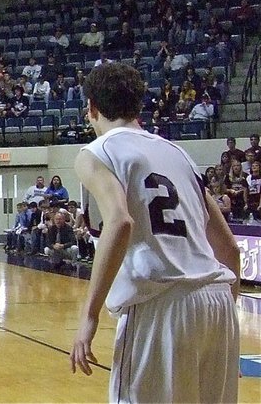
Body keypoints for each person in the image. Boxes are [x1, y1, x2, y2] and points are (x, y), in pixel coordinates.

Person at [69, 63, 240, 403]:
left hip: (161, 303)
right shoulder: (178, 153)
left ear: (91, 107)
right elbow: (230, 248)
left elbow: (120, 222)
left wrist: (89, 315)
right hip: (218, 301)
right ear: (138, 105)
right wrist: (220, 319)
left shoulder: (96, 152)